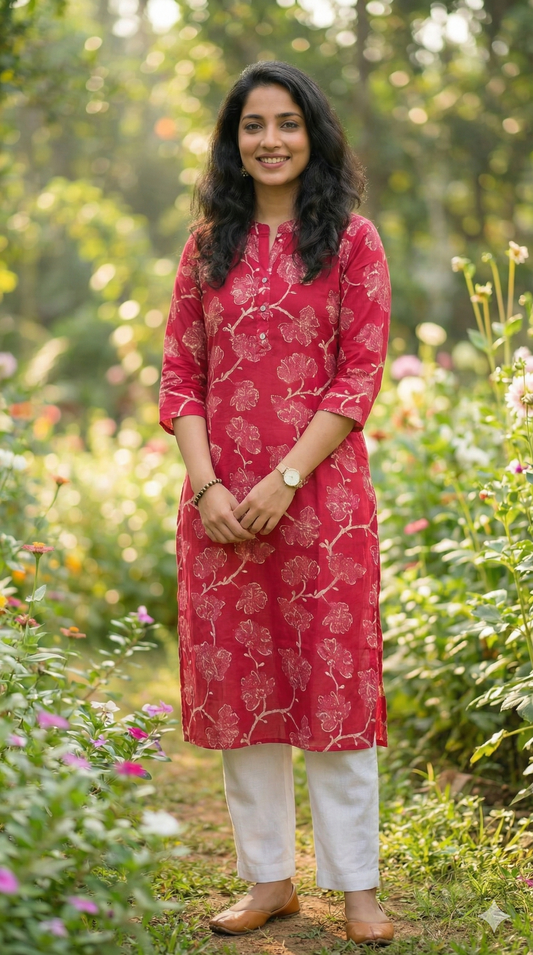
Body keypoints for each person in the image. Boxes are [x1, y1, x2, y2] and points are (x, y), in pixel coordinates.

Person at [159, 61, 393, 946]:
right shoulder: (205, 245)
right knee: (245, 694)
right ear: (232, 140)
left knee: (333, 696)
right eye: (252, 125)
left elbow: (357, 375)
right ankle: (267, 881)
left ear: (313, 134)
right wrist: (208, 486)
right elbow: (180, 379)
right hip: (220, 512)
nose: (269, 140)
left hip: (321, 503)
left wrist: (284, 479)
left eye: (286, 123)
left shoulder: (352, 241)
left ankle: (357, 887)